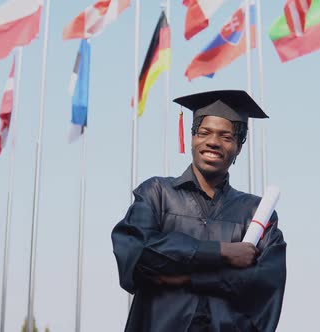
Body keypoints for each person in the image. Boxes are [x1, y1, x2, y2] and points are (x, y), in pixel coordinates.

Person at [111, 90, 287, 332]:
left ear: (238, 146)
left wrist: (186, 278)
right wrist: (222, 252)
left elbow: (265, 284)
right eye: (204, 132)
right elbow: (137, 257)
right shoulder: (156, 194)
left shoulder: (256, 213)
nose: (213, 141)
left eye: (226, 136)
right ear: (192, 137)